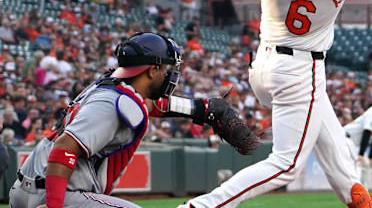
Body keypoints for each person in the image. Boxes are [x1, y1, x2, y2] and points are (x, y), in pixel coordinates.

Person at [205, 0, 372, 208]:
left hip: (265, 65)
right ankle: (203, 206)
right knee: (286, 164)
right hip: (301, 70)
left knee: (335, 149)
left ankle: (359, 198)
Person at [10, 33, 253, 208]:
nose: (171, 74)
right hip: (53, 193)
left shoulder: (112, 88)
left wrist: (198, 109)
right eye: (167, 68)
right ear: (152, 70)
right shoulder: (112, 103)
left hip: (32, 187)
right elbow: (64, 148)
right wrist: (54, 206)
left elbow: (148, 104)